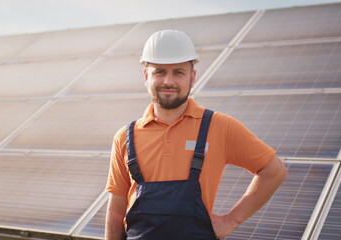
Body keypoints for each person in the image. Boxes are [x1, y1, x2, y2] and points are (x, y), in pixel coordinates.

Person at [105, 29, 287, 240]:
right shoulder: (125, 137)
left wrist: (231, 220)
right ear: (146, 76)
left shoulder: (220, 127)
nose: (168, 81)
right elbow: (115, 209)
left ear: (192, 77)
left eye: (178, 72)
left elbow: (274, 171)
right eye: (160, 72)